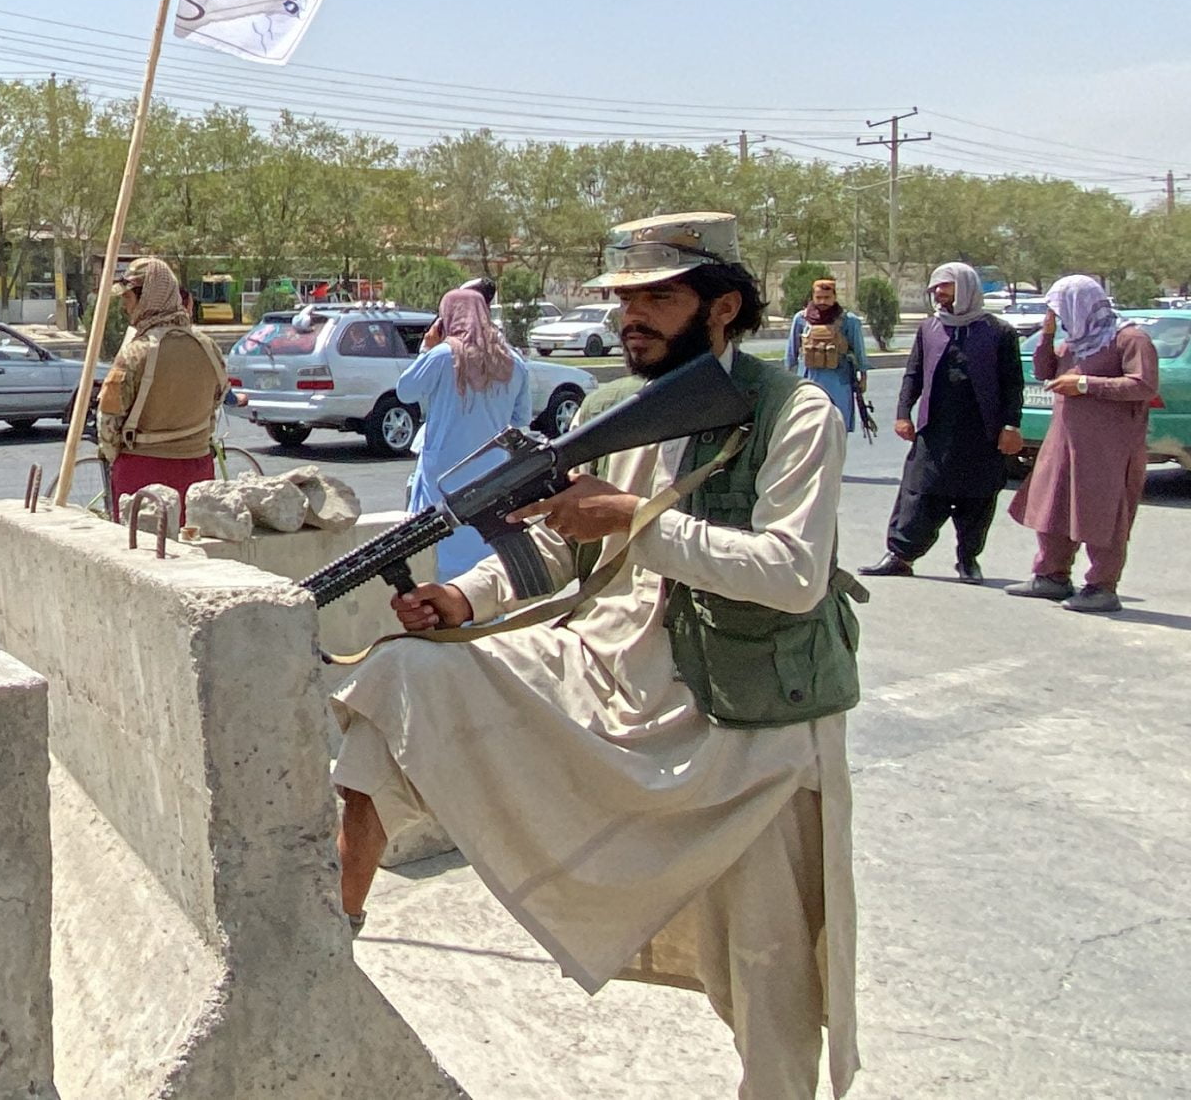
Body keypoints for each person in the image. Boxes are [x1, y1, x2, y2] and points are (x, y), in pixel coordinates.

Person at [332, 214, 859, 1100]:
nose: (633, 318)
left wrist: (636, 523)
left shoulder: (797, 413)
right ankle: (332, 932)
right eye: (625, 300)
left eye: (661, 296)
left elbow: (794, 574)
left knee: (771, 977)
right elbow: (559, 552)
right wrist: (465, 598)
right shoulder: (618, 409)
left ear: (723, 306)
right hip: (610, 676)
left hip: (749, 725)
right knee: (397, 673)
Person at [862, 262, 1023, 583]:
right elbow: (914, 373)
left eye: (944, 286)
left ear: (965, 287)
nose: (938, 293)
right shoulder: (930, 328)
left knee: (977, 498)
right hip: (935, 431)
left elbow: (1012, 383)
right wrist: (903, 413)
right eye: (935, 287)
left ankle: (968, 561)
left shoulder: (998, 332)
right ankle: (900, 556)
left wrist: (1010, 424)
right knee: (919, 493)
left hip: (981, 433)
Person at [1006, 274, 1158, 614]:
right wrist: (1046, 333)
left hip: (1109, 449)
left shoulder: (1129, 338)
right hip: (1064, 443)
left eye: (1060, 310)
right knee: (1053, 508)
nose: (1058, 317)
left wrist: (1087, 384)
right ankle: (1051, 576)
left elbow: (1143, 385)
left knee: (1102, 516)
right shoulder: (1075, 343)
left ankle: (1102, 587)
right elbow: (1044, 369)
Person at [395, 286, 531, 578]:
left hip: (443, 472)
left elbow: (405, 392)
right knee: (485, 546)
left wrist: (426, 348)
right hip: (493, 471)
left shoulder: (442, 356)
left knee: (439, 544)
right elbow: (521, 416)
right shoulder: (513, 360)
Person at [96, 258, 228, 512]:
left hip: (142, 473)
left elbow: (108, 421)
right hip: (198, 470)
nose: (124, 307)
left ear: (146, 298)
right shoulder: (208, 348)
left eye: (128, 298)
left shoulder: (135, 353)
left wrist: (115, 456)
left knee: (142, 548)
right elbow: (218, 398)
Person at [785, 277, 869, 432]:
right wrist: (786, 379)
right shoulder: (801, 319)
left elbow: (859, 351)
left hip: (839, 382)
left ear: (834, 297)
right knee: (808, 428)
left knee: (837, 428)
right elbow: (791, 352)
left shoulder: (849, 321)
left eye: (827, 297)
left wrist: (863, 377)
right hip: (809, 380)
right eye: (818, 297)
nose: (822, 301)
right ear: (812, 297)